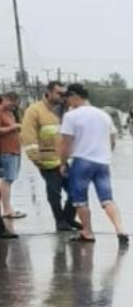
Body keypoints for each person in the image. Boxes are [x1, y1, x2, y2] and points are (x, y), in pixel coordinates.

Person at [58, 83, 128, 245]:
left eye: (68, 98)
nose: (67, 102)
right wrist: (106, 154)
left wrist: (62, 162)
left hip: (82, 162)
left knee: (80, 199)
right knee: (107, 199)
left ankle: (87, 232)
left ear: (75, 96)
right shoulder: (103, 115)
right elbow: (112, 140)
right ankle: (120, 230)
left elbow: (65, 143)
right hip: (102, 163)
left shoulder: (71, 116)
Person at [21, 81, 80, 231]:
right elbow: (28, 135)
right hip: (47, 160)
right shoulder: (35, 110)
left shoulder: (66, 111)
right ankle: (60, 221)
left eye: (64, 94)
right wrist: (35, 158)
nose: (62, 96)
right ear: (48, 92)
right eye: (59, 93)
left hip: (65, 159)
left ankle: (68, 218)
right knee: (54, 193)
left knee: (76, 190)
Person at [0, 92, 25, 221]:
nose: (13, 106)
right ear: (3, 99)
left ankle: (7, 208)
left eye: (15, 104)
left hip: (14, 150)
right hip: (5, 151)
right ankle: (7, 210)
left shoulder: (10, 114)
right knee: (7, 180)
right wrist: (13, 127)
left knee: (9, 180)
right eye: (11, 103)